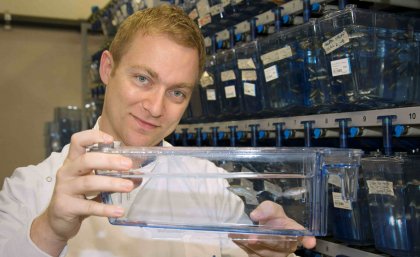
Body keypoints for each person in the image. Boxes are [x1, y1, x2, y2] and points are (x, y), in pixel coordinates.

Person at [0, 4, 316, 257]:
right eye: (143, 79)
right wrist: (51, 231)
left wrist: (271, 253)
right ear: (107, 69)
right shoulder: (28, 189)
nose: (155, 107)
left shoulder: (209, 186)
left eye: (176, 92)